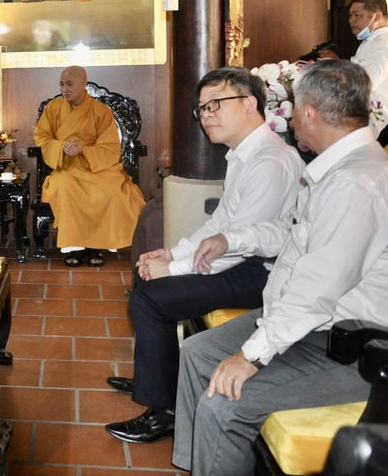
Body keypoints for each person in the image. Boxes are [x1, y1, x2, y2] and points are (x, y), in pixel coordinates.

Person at [173, 60, 388, 476]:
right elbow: (291, 237)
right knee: (198, 353)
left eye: (292, 107)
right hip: (307, 323)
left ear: (308, 112)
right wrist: (231, 240)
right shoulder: (337, 167)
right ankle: (199, 466)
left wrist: (250, 357)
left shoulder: (357, 181)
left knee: (222, 404)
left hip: (353, 344)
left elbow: (318, 288)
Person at [104, 67, 305, 444]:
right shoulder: (244, 154)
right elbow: (222, 224)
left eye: (215, 104)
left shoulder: (269, 162)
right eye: (201, 108)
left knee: (150, 299)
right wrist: (172, 252)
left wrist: (174, 268)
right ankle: (158, 371)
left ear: (250, 104)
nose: (206, 114)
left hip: (262, 273)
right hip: (241, 261)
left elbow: (239, 244)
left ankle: (165, 411)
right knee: (147, 273)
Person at [32, 66, 145, 267]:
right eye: (61, 84)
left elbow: (110, 146)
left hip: (96, 166)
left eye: (69, 84)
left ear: (84, 83)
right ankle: (74, 246)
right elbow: (42, 136)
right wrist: (62, 147)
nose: (64, 89)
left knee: (111, 191)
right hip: (66, 166)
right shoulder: (53, 108)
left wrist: (84, 149)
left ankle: (96, 246)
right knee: (65, 189)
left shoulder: (101, 110)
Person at [348, 0, 388, 135]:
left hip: (378, 123)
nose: (351, 20)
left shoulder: (383, 43)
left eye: (357, 15)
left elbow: (364, 83)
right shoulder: (371, 41)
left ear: (377, 16)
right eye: (350, 15)